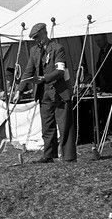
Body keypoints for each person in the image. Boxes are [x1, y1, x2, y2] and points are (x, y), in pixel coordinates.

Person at [12, 22, 76, 162]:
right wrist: (19, 91)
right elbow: (28, 71)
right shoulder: (34, 51)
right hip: (44, 94)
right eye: (34, 38)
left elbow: (60, 71)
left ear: (45, 34)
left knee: (65, 126)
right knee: (47, 126)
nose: (37, 41)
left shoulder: (58, 48)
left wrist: (44, 78)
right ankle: (49, 155)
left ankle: (69, 157)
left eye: (38, 37)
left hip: (60, 92)